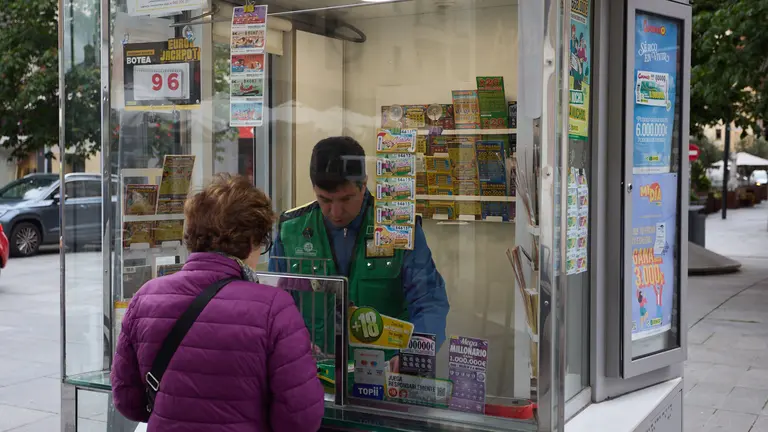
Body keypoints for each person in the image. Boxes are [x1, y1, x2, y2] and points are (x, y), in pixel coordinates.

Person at [111, 174, 324, 432]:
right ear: (252, 241)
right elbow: (299, 419)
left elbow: (127, 401)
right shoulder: (274, 308)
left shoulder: (146, 297)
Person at [268, 136, 450, 353]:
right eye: (324, 199)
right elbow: (275, 305)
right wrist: (289, 344)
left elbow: (429, 301)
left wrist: (414, 355)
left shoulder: (396, 225)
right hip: (314, 372)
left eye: (346, 199)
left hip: (385, 373)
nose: (335, 213)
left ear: (363, 184)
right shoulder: (291, 229)